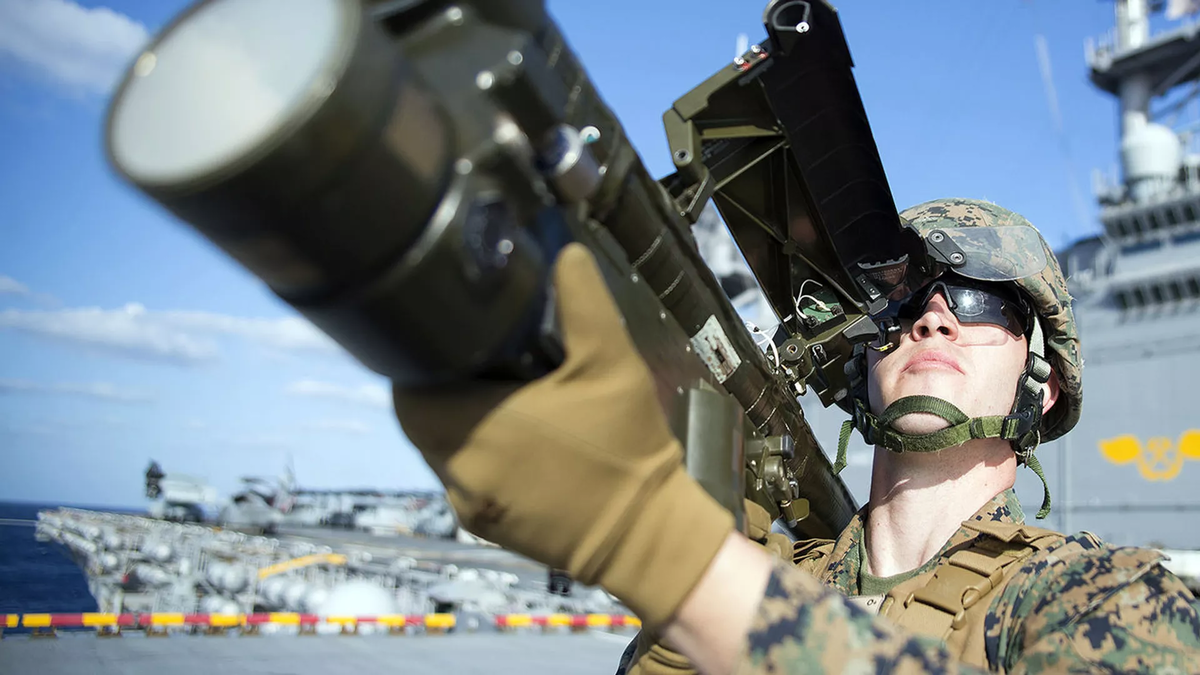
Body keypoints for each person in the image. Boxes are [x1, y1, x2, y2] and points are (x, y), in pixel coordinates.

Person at [392, 199, 1200, 675]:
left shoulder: (1101, 595)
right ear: (862, 359)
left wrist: (662, 549)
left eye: (982, 299)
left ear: (1042, 381)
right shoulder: (762, 569)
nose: (934, 314)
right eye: (905, 298)